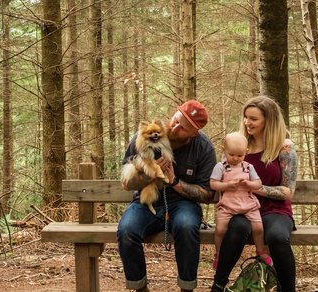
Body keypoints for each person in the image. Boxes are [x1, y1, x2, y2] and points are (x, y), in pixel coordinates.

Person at [117, 100, 217, 292]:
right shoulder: (144, 137)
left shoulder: (203, 148)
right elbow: (126, 184)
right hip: (146, 202)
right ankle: (139, 287)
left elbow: (207, 194)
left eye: (183, 127)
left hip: (184, 204)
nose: (175, 127)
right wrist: (149, 174)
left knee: (186, 226)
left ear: (194, 133)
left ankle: (186, 288)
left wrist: (174, 181)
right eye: (176, 120)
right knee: (127, 230)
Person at [210, 95, 298, 292]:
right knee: (238, 227)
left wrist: (255, 187)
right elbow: (221, 178)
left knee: (276, 237)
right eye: (245, 117)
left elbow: (288, 192)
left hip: (275, 211)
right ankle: (218, 285)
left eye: (254, 119)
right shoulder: (237, 146)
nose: (247, 122)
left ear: (269, 120)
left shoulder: (284, 147)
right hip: (241, 208)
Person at [209, 132, 270, 269]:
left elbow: (258, 183)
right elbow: (213, 184)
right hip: (227, 204)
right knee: (220, 230)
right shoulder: (221, 167)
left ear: (246, 152)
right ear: (224, 149)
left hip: (247, 203)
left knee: (258, 227)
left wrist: (250, 185)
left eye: (240, 155)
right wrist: (227, 185)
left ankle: (261, 251)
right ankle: (219, 254)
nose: (236, 158)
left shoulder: (248, 167)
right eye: (232, 155)